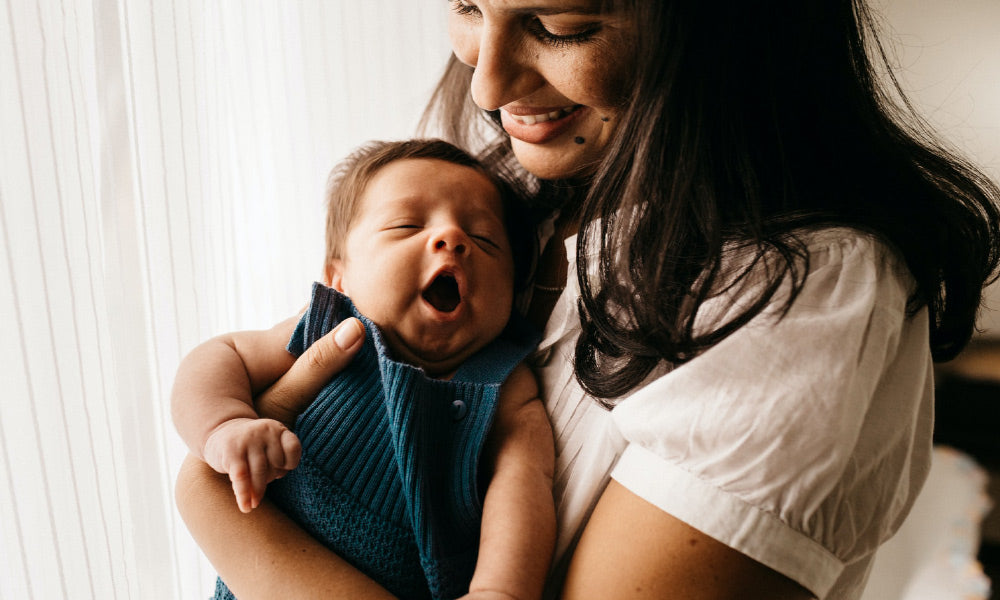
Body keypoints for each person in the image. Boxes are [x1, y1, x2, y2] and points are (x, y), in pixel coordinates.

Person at [175, 1, 1000, 599]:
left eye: (561, 25)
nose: (488, 82)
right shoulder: (510, 192)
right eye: (467, 4)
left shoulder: (798, 298)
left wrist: (219, 508)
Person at [172, 139, 555, 600]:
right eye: (406, 224)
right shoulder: (329, 329)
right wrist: (224, 424)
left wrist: (500, 589)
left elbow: (524, 482)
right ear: (338, 277)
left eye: (484, 239)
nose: (452, 239)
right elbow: (220, 355)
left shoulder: (503, 380)